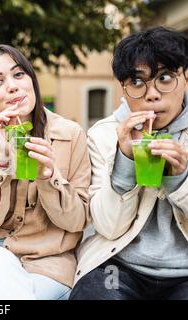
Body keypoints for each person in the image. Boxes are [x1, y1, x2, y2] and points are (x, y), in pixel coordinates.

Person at [0, 44, 91, 300]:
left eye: (18, 75)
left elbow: (76, 221)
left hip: (48, 266)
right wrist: (1, 161)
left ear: (32, 81)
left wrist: (49, 177)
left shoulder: (71, 135)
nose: (12, 86)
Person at [71, 27, 188, 300]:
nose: (152, 94)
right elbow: (108, 227)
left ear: (185, 77)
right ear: (123, 87)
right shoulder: (103, 134)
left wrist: (180, 179)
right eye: (137, 82)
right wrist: (123, 161)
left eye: (165, 77)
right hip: (120, 266)